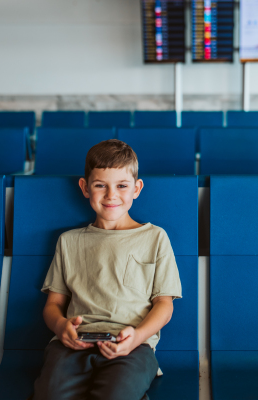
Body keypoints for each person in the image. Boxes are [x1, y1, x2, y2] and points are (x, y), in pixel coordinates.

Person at [32, 139, 182, 400]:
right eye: (100, 185)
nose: (111, 195)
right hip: (73, 344)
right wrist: (60, 328)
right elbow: (53, 305)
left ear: (137, 188)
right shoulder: (68, 241)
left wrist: (136, 337)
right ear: (85, 187)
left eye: (122, 186)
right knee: (50, 395)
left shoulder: (156, 237)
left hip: (133, 346)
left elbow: (164, 305)